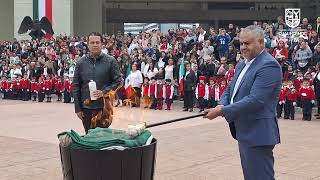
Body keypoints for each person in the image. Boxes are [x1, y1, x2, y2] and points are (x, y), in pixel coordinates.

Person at [204, 25, 282, 180]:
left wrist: (222, 111)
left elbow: (256, 100)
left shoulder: (268, 65)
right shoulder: (243, 64)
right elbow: (230, 89)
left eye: (248, 43)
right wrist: (222, 104)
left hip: (258, 133)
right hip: (245, 130)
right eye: (241, 43)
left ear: (261, 42)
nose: (243, 47)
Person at [73, 32, 122, 134]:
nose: (95, 45)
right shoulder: (81, 62)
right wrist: (77, 108)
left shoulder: (110, 61)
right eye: (92, 42)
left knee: (103, 138)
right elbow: (76, 85)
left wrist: (104, 91)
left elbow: (118, 82)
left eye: (97, 42)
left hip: (104, 107)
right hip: (86, 108)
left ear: (102, 44)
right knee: (90, 136)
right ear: (88, 44)